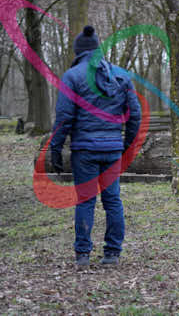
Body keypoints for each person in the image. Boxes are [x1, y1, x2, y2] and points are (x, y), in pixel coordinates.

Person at [50, 25, 141, 267]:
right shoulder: (121, 76)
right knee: (113, 200)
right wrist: (125, 146)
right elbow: (135, 115)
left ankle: (82, 255)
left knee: (85, 200)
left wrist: (55, 149)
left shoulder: (72, 77)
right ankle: (112, 253)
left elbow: (64, 118)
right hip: (112, 149)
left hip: (85, 151)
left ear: (78, 51)